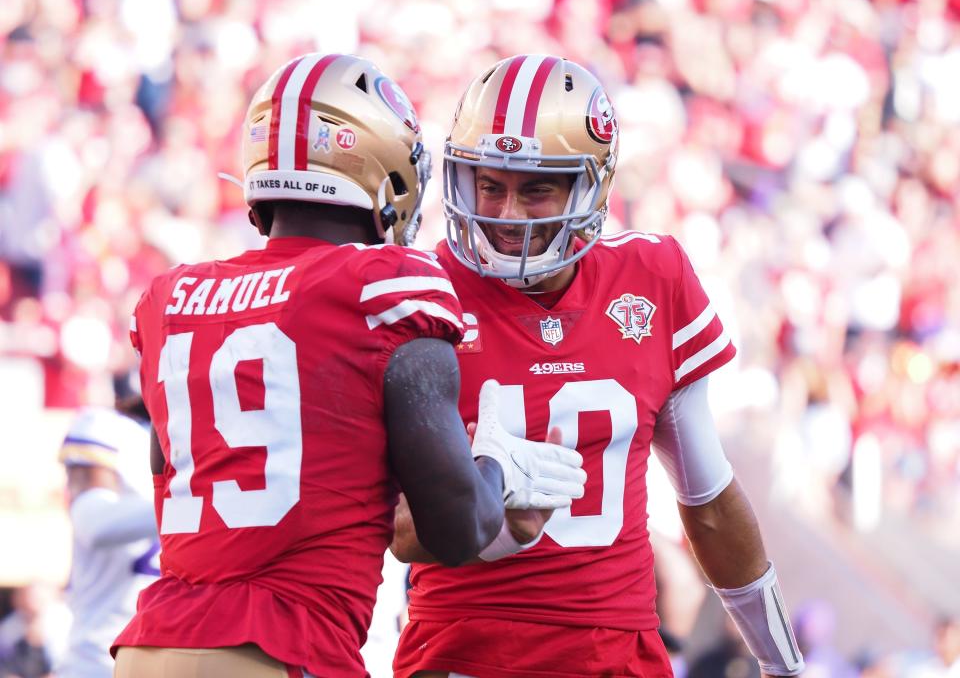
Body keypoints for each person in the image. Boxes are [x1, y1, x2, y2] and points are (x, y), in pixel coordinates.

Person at [111, 53, 585, 678]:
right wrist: (497, 470)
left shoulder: (172, 297)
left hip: (149, 649)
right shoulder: (385, 285)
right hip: (283, 650)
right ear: (387, 170)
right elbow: (453, 527)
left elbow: (171, 475)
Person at [391, 54, 805, 678]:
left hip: (618, 657)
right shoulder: (421, 290)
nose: (505, 214)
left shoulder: (654, 276)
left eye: (536, 188)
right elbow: (399, 531)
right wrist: (492, 500)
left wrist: (784, 664)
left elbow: (709, 500)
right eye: (490, 182)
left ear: (592, 186)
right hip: (465, 654)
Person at [56, 407, 157, 678]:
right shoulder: (105, 426)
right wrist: (193, 504)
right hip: (98, 662)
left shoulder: (193, 433)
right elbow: (94, 523)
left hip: (167, 658)